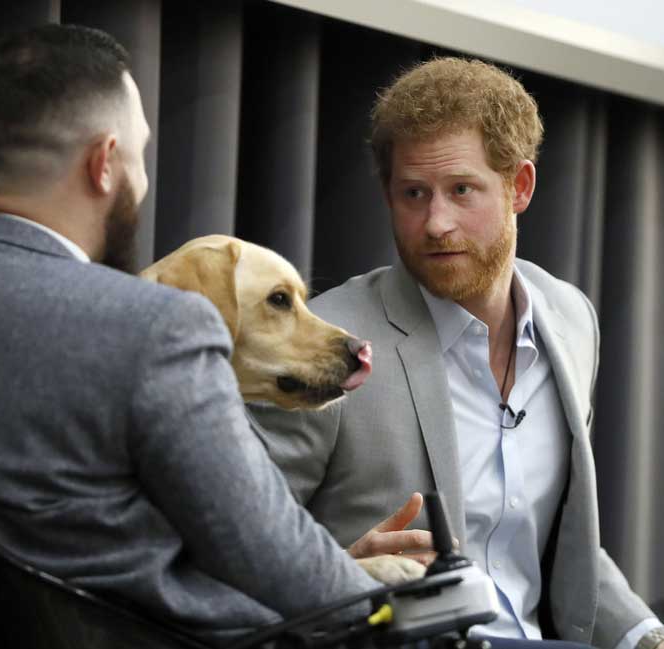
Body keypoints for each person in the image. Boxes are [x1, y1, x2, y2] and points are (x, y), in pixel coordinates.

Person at [0, 24, 405, 645]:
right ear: (105, 164)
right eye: (140, 154)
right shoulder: (156, 329)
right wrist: (390, 601)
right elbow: (266, 553)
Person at [248, 57, 664, 649]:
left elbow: (562, 539)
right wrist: (336, 575)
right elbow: (228, 556)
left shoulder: (571, 319)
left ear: (519, 186)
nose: (436, 223)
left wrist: (645, 636)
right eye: (413, 194)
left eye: (462, 190)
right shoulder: (326, 340)